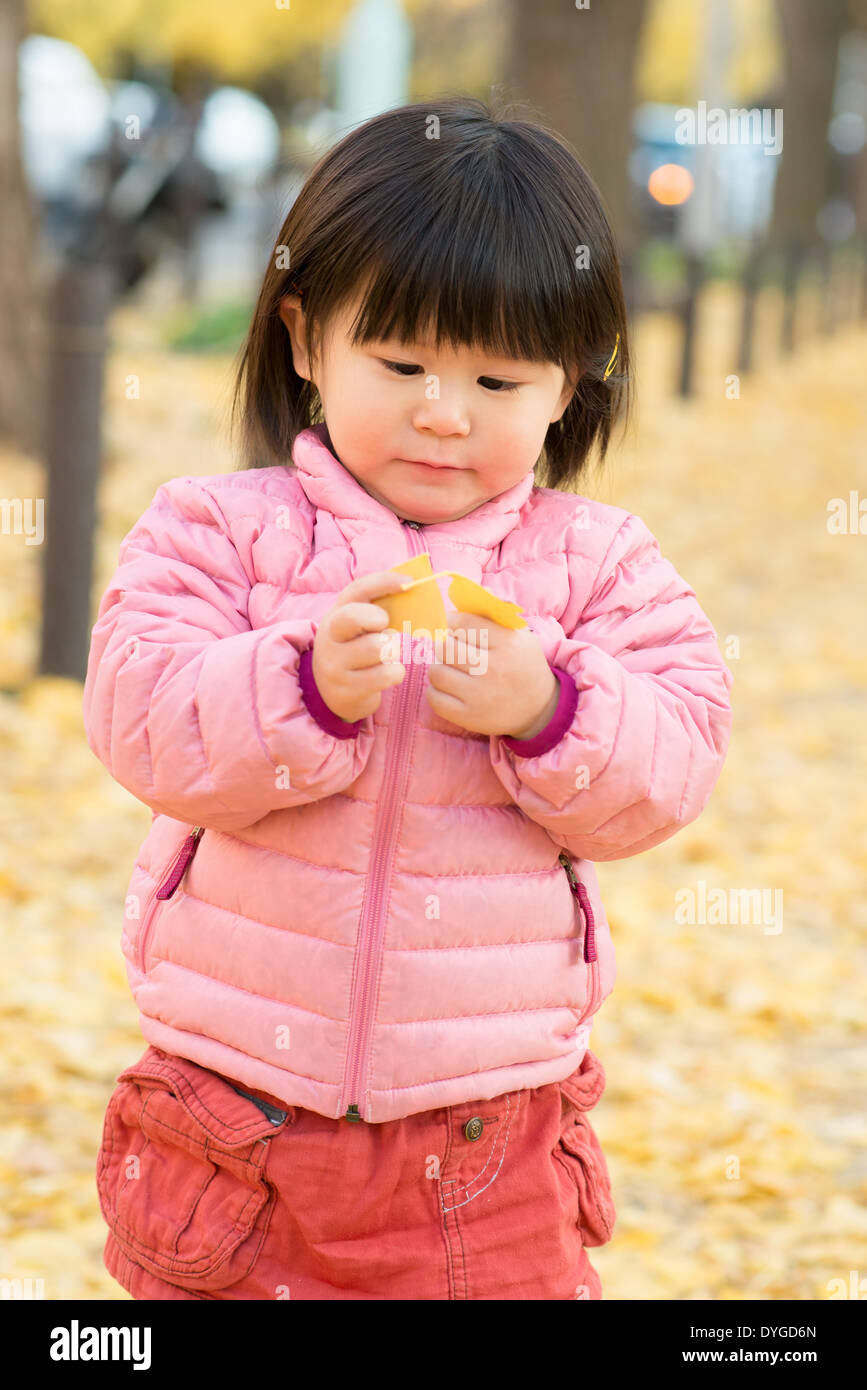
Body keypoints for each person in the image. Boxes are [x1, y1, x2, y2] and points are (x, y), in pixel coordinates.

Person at [83, 95, 733, 1301]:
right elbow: (138, 713)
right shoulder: (220, 532)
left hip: (493, 1131)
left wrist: (552, 707)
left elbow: (678, 758)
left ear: (569, 386)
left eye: (496, 376)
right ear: (303, 339)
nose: (444, 409)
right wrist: (297, 684)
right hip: (238, 1116)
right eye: (401, 363)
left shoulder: (596, 565)